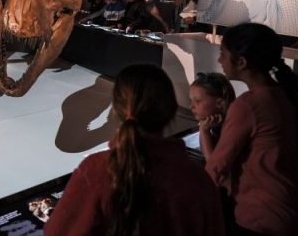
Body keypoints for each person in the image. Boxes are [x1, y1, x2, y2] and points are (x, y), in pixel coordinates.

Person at [45, 64, 224, 236]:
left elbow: (58, 231)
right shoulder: (196, 179)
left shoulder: (95, 170)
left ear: (116, 109)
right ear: (171, 110)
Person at [207, 22, 298, 236]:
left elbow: (217, 167)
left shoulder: (248, 105)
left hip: (262, 215)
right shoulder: (282, 95)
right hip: (292, 208)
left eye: (223, 54)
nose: (220, 60)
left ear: (242, 62)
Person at [189, 72, 236, 159]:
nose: (191, 106)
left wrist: (204, 132)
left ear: (220, 103)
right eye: (191, 100)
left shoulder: (233, 130)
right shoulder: (215, 125)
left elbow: (213, 166)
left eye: (197, 101)